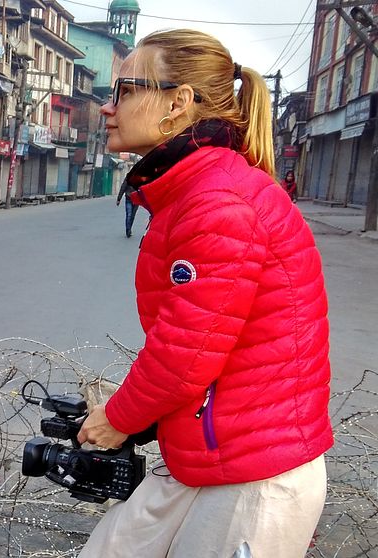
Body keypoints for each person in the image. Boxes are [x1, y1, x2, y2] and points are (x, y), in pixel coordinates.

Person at [77, 29, 332, 558]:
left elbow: (186, 352)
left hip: (254, 477)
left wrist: (116, 419)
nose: (107, 107)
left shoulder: (219, 201)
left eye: (124, 90)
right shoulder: (195, 191)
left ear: (177, 103)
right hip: (208, 455)